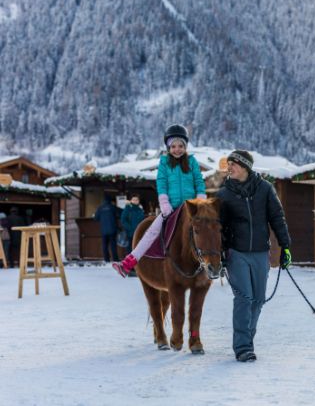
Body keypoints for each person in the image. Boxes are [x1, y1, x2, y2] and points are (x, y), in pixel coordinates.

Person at [217, 150, 292, 363]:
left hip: (260, 252)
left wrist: (285, 246)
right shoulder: (224, 195)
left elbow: (277, 218)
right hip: (236, 252)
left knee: (258, 299)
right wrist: (222, 254)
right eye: (228, 164)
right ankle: (242, 347)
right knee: (244, 298)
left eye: (234, 164)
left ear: (246, 167)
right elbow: (218, 228)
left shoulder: (265, 189)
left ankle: (247, 339)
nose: (229, 167)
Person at [113, 124, 207, 277]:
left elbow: (199, 181)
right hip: (172, 207)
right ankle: (128, 263)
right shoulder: (164, 163)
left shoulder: (192, 161)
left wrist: (200, 199)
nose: (177, 149)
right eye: (173, 146)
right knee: (152, 230)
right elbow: (161, 183)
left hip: (192, 207)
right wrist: (164, 202)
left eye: (180, 146)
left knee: (209, 227)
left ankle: (218, 260)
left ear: (185, 146)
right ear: (168, 148)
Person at [94, 195, 119, 263]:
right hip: (112, 229)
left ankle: (106, 259)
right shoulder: (112, 207)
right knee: (113, 245)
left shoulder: (100, 208)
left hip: (104, 230)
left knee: (105, 245)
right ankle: (115, 259)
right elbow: (120, 213)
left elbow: (96, 218)